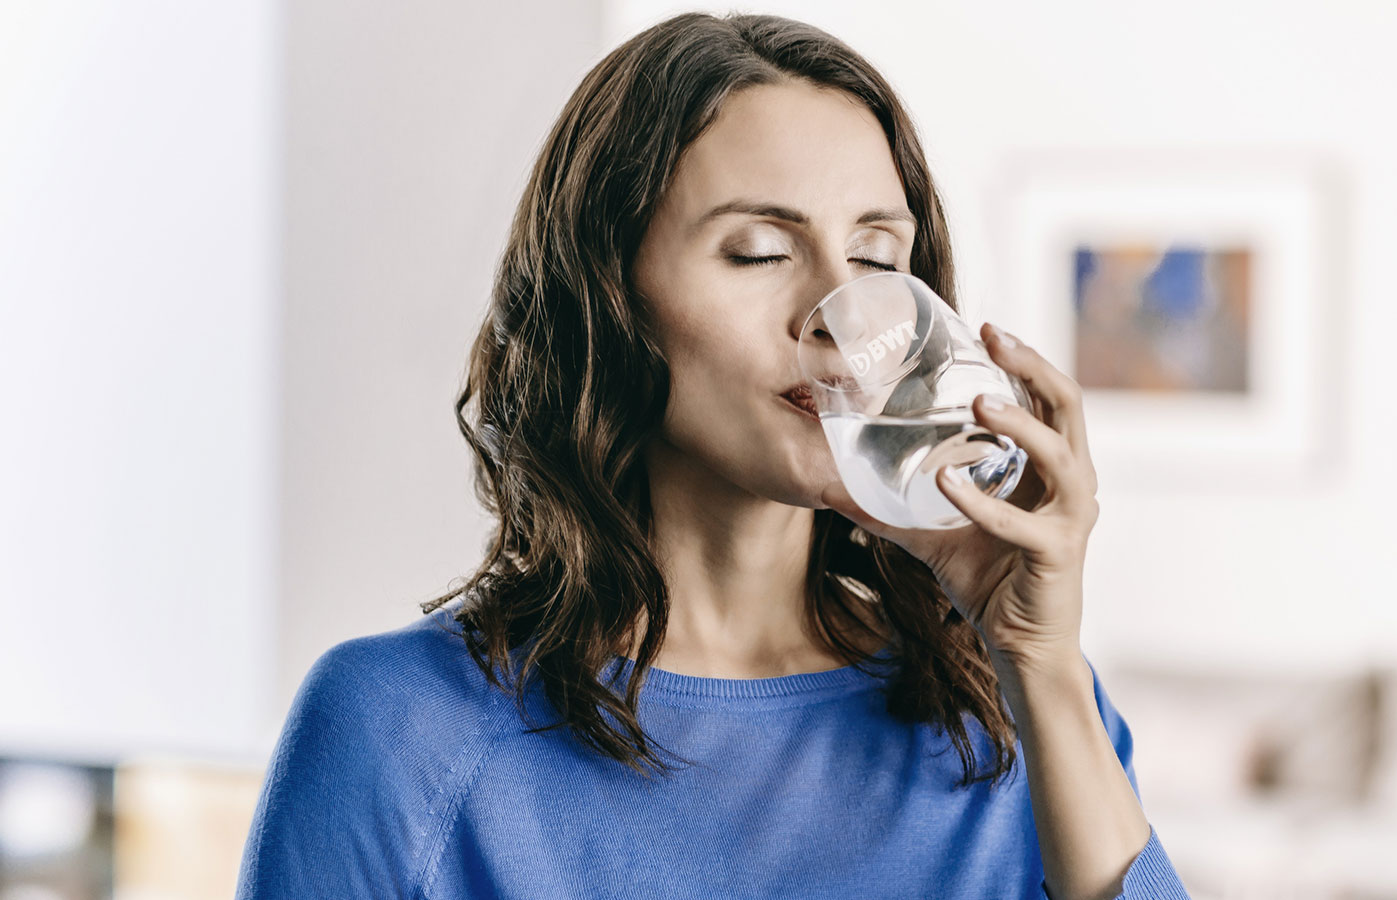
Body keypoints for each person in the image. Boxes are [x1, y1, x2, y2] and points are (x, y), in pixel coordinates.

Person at [235, 12, 1190, 900]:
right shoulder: (397, 729)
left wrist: (1041, 664)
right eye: (760, 251)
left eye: (875, 256)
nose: (836, 320)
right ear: (609, 295)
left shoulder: (1016, 703)